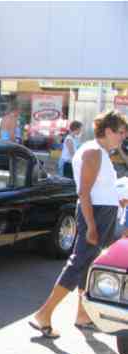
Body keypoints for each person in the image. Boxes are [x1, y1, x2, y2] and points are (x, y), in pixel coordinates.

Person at [30, 110, 128, 338]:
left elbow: (99, 189)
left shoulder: (101, 152)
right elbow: (84, 192)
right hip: (95, 214)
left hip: (103, 212)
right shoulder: (93, 151)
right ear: (108, 131)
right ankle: (44, 314)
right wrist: (92, 226)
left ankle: (82, 315)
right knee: (78, 263)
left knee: (89, 263)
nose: (123, 137)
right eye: (121, 132)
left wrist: (119, 200)